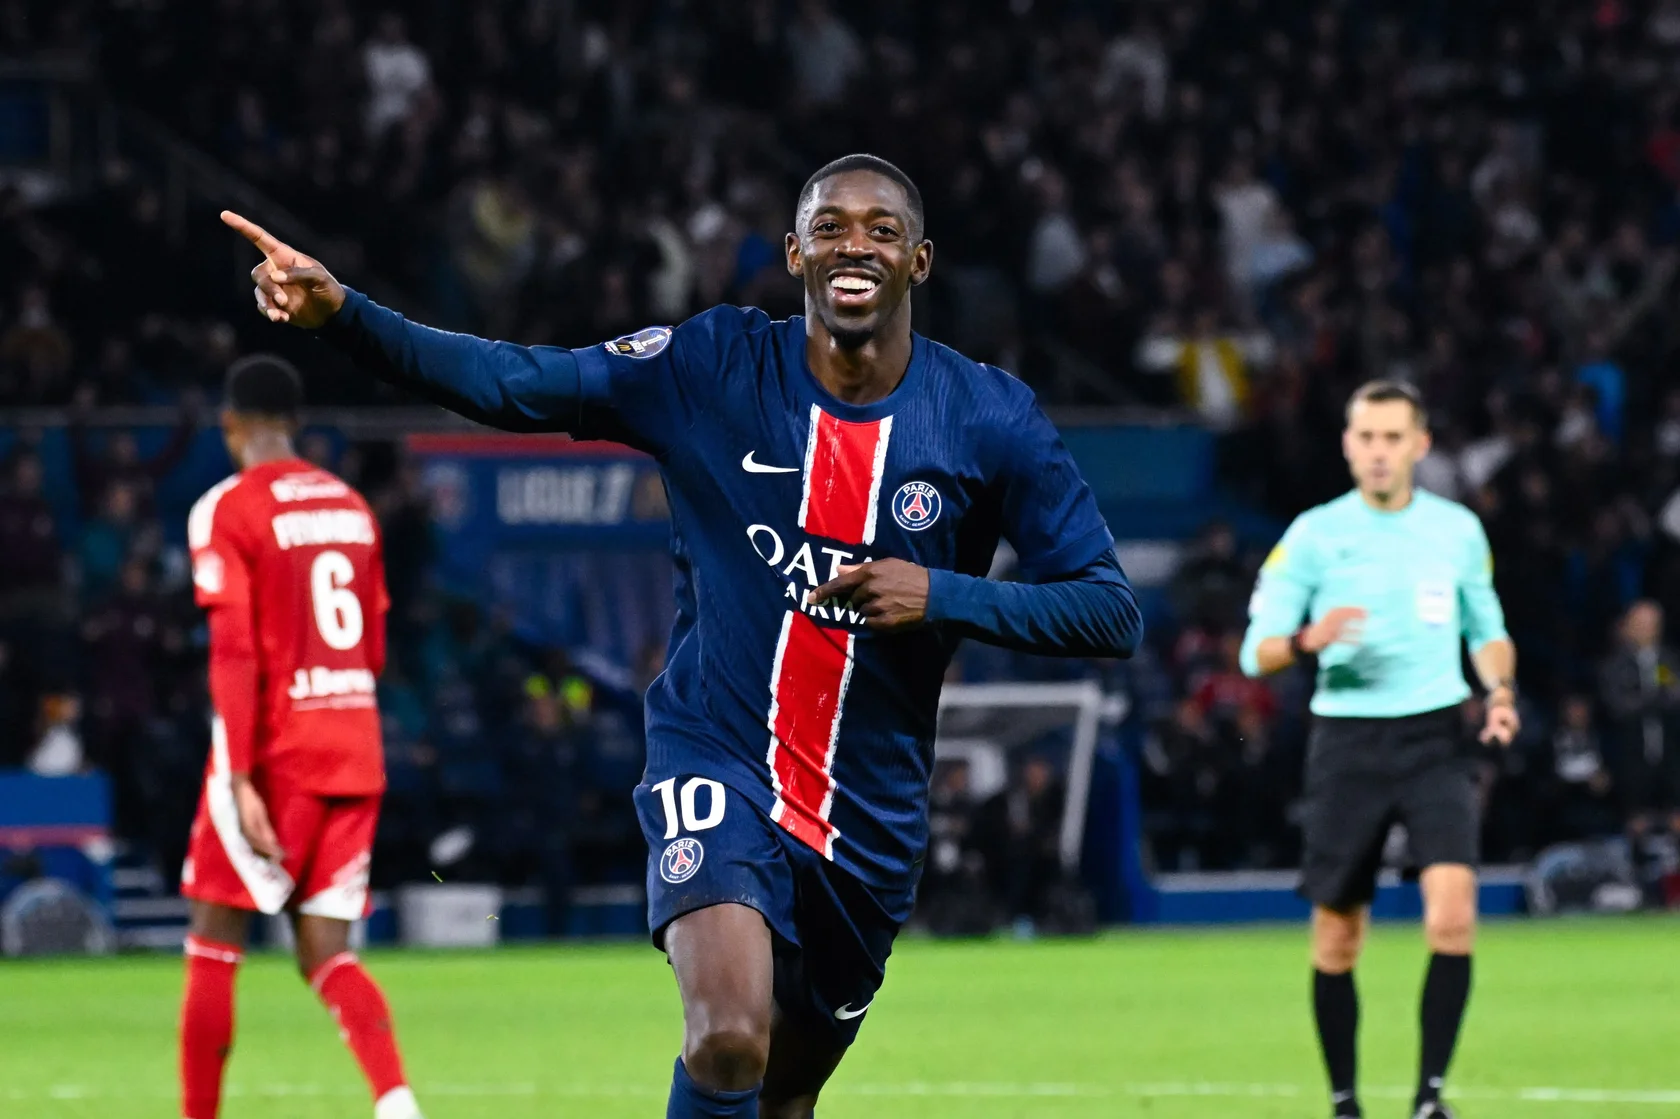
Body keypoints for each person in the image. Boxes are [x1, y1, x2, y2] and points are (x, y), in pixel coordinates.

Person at [221, 151, 1143, 1119]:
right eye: (830, 228)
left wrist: (942, 594)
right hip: (717, 756)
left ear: (919, 260)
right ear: (795, 253)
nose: (855, 246)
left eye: (882, 229)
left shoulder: (989, 416)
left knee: (783, 1096)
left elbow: (1107, 609)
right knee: (728, 1036)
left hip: (869, 816)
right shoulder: (711, 366)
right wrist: (347, 314)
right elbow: (515, 381)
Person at [1238, 380, 1519, 1119]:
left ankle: (1429, 1098)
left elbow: (1487, 629)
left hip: (1435, 736)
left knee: (1453, 914)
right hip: (1348, 742)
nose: (1379, 452)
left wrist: (1499, 693)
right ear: (1347, 444)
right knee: (1339, 935)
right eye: (1366, 437)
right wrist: (1308, 639)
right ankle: (1345, 1101)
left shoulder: (1457, 531)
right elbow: (1254, 652)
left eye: (1394, 438)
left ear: (1420, 445)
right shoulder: (1314, 534)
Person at [176, 355, 421, 1119]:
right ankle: (398, 1103)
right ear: (296, 422)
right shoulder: (352, 506)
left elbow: (234, 650)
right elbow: (372, 649)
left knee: (214, 939)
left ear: (230, 425)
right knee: (327, 950)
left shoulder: (226, 508)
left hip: (277, 750)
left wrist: (240, 777)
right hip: (355, 745)